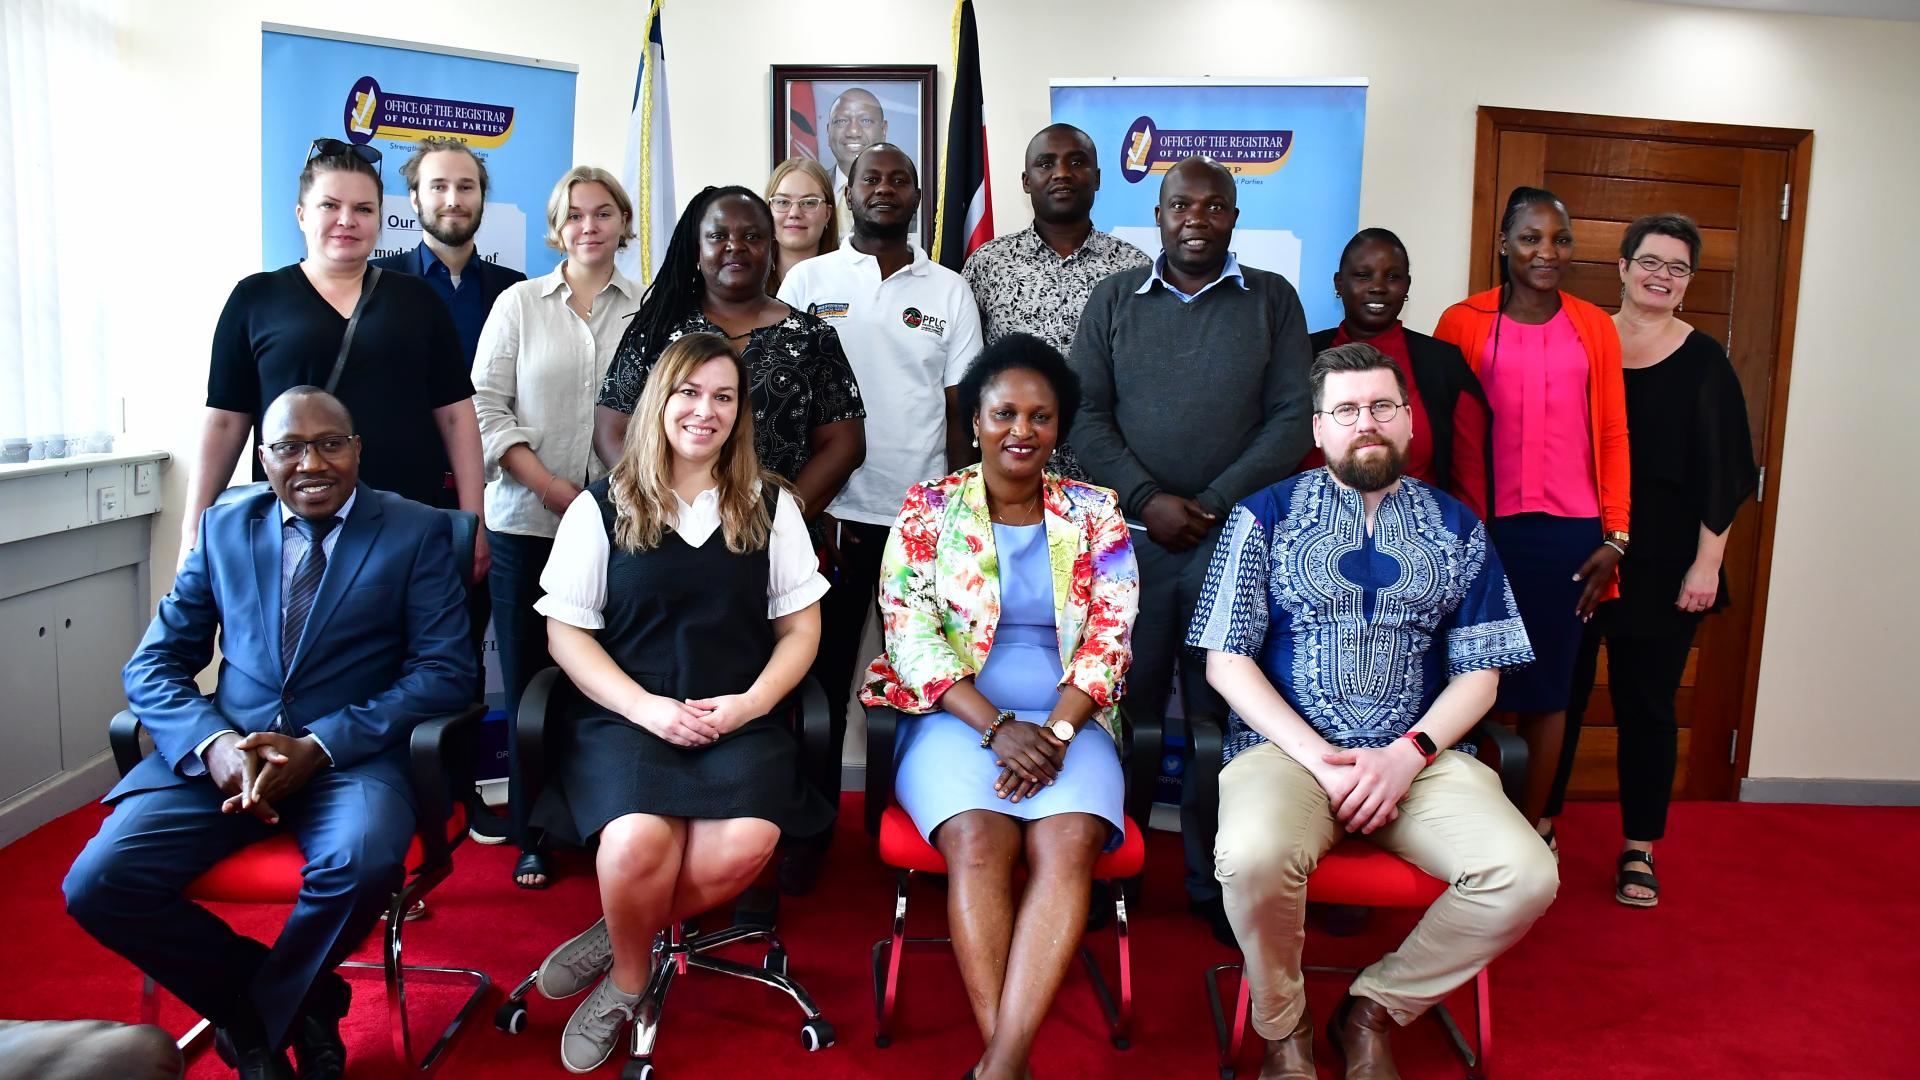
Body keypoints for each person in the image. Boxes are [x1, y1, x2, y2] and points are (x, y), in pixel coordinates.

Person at [64, 388, 475, 1080]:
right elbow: (155, 663)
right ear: (263, 457)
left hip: (351, 758)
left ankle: (255, 1025)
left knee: (362, 862)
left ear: (357, 451)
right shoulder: (226, 528)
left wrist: (319, 746)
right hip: (229, 756)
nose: (310, 462)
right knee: (97, 883)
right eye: (288, 446)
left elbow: (446, 672)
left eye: (329, 444)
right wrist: (214, 744)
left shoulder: (415, 530)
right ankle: (303, 1001)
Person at [1189, 343, 1556, 1080]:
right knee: (1251, 856)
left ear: (1410, 422)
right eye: (1348, 410)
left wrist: (1405, 754)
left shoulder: (1458, 527)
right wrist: (1316, 757)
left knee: (1526, 875)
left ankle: (1374, 1008)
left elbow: (1480, 677)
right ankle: (1283, 1028)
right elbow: (1225, 660)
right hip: (1287, 757)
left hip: (1419, 759)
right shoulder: (1263, 516)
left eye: (1383, 407)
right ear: (1319, 428)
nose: (1367, 423)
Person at [522, 333, 832, 1073]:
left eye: (724, 397)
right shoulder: (601, 507)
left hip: (737, 716)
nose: (706, 411)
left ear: (740, 413)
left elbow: (801, 630)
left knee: (748, 841)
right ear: (661, 399)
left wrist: (752, 704)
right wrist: (645, 709)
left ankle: (616, 935)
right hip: (626, 716)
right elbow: (566, 637)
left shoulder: (770, 505)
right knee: (636, 845)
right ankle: (630, 977)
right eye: (690, 392)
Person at [861, 334, 1138, 1080]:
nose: (1022, 429)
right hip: (957, 714)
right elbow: (910, 636)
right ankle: (1009, 1058)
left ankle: (1000, 1064)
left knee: (1068, 840)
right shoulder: (927, 509)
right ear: (974, 421)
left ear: (1061, 427)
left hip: (1069, 717)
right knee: (979, 842)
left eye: (1040, 416)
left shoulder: (1096, 514)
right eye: (1004, 412)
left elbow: (1112, 635)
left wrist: (1051, 732)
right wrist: (999, 728)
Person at [1067, 154, 1313, 936]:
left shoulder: (1272, 300)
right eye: (1181, 206)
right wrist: (1147, 499)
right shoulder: (1113, 301)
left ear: (1233, 218)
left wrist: (1205, 503)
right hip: (1132, 544)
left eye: (1213, 207)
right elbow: (1083, 418)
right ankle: (1117, 872)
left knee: (1220, 720)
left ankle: (1215, 887)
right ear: (1160, 216)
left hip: (1230, 543)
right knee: (1120, 714)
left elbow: (1289, 421)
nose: (1196, 219)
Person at [776, 142, 983, 874]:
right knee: (821, 679)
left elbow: (961, 412)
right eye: (872, 178)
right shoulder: (810, 278)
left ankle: (913, 833)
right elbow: (785, 399)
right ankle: (807, 832)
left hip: (922, 519)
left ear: (918, 194)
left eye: (899, 179)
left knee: (924, 680)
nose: (886, 189)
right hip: (828, 513)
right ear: (849, 191)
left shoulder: (951, 289)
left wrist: (960, 513)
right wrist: (798, 502)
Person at [1542, 214, 1757, 907]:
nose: (1662, 275)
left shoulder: (1704, 361)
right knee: (1557, 699)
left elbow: (1726, 473)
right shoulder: (1581, 337)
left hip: (1665, 561)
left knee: (1646, 707)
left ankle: (1639, 849)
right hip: (1577, 549)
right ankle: (1539, 826)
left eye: (1678, 267)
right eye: (1651, 261)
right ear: (1624, 266)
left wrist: (1708, 565)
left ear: (1688, 282)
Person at [188, 140, 491, 586]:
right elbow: (225, 423)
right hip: (294, 529)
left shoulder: (418, 300)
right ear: (301, 214)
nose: (347, 221)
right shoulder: (254, 299)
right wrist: (192, 526)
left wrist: (474, 521)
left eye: (364, 209)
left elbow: (456, 418)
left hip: (404, 529)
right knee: (297, 647)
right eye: (330, 205)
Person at [1433, 186, 1631, 851]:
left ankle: (1526, 832)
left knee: (1549, 689)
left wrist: (1617, 536)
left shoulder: (1594, 325)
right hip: (1485, 531)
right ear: (1504, 245)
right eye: (1530, 239)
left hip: (1572, 536)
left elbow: (1612, 433)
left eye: (1560, 239)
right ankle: (1463, 832)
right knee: (1472, 684)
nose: (1547, 252)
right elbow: (1442, 426)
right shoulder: (1462, 321)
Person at [471, 166, 642, 888]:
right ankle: (532, 829)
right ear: (556, 228)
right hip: (525, 526)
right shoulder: (518, 303)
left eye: (604, 213)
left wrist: (611, 500)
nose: (590, 226)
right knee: (530, 680)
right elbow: (485, 406)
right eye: (575, 215)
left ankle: (601, 814)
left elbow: (664, 411)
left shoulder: (648, 308)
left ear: (624, 224)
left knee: (608, 681)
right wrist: (551, 489)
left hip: (623, 531)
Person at [961, 123, 1149, 481]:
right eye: (1046, 164)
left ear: (1097, 178)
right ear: (1026, 181)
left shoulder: (1134, 268)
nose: (1062, 173)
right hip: (1011, 472)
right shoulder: (988, 264)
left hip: (1106, 477)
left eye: (1077, 162)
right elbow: (971, 371)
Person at [1300, 228, 1491, 518]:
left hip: (1419, 537)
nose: (1378, 287)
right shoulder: (1298, 356)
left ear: (1407, 285)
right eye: (1363, 276)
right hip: (1309, 532)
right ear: (1339, 283)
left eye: (1392, 277)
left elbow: (1470, 481)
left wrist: (1465, 547)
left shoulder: (1443, 365)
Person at [372, 136, 527, 369]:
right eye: (438, 187)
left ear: (482, 198)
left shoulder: (514, 288)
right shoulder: (375, 281)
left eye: (465, 187)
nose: (453, 200)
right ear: (415, 199)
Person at [766, 156, 839, 295]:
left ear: (827, 214)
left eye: (809, 203)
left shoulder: (848, 280)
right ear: (768, 210)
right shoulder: (747, 282)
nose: (794, 213)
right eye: (782, 202)